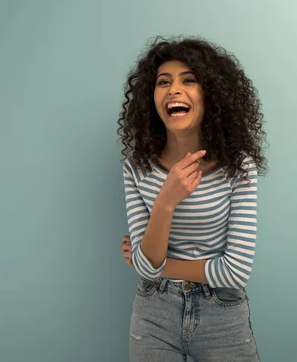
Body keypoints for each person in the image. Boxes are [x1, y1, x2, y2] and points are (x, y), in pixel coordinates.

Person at [117, 36, 266, 361]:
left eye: (189, 80)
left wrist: (154, 265)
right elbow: (147, 269)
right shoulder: (137, 167)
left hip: (222, 314)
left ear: (210, 94)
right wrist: (166, 201)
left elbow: (236, 271)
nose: (173, 89)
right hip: (153, 313)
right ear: (151, 98)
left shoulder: (238, 167)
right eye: (163, 82)